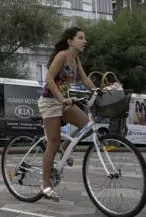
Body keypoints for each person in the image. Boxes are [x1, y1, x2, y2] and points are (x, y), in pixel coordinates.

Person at [38, 27, 97, 201]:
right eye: (80, 38)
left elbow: (85, 80)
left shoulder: (76, 60)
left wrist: (99, 90)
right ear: (70, 41)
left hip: (64, 101)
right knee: (53, 143)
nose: (84, 41)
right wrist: (62, 98)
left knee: (86, 125)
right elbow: (49, 79)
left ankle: (64, 148)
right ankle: (45, 184)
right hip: (50, 101)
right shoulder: (62, 56)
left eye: (84, 38)